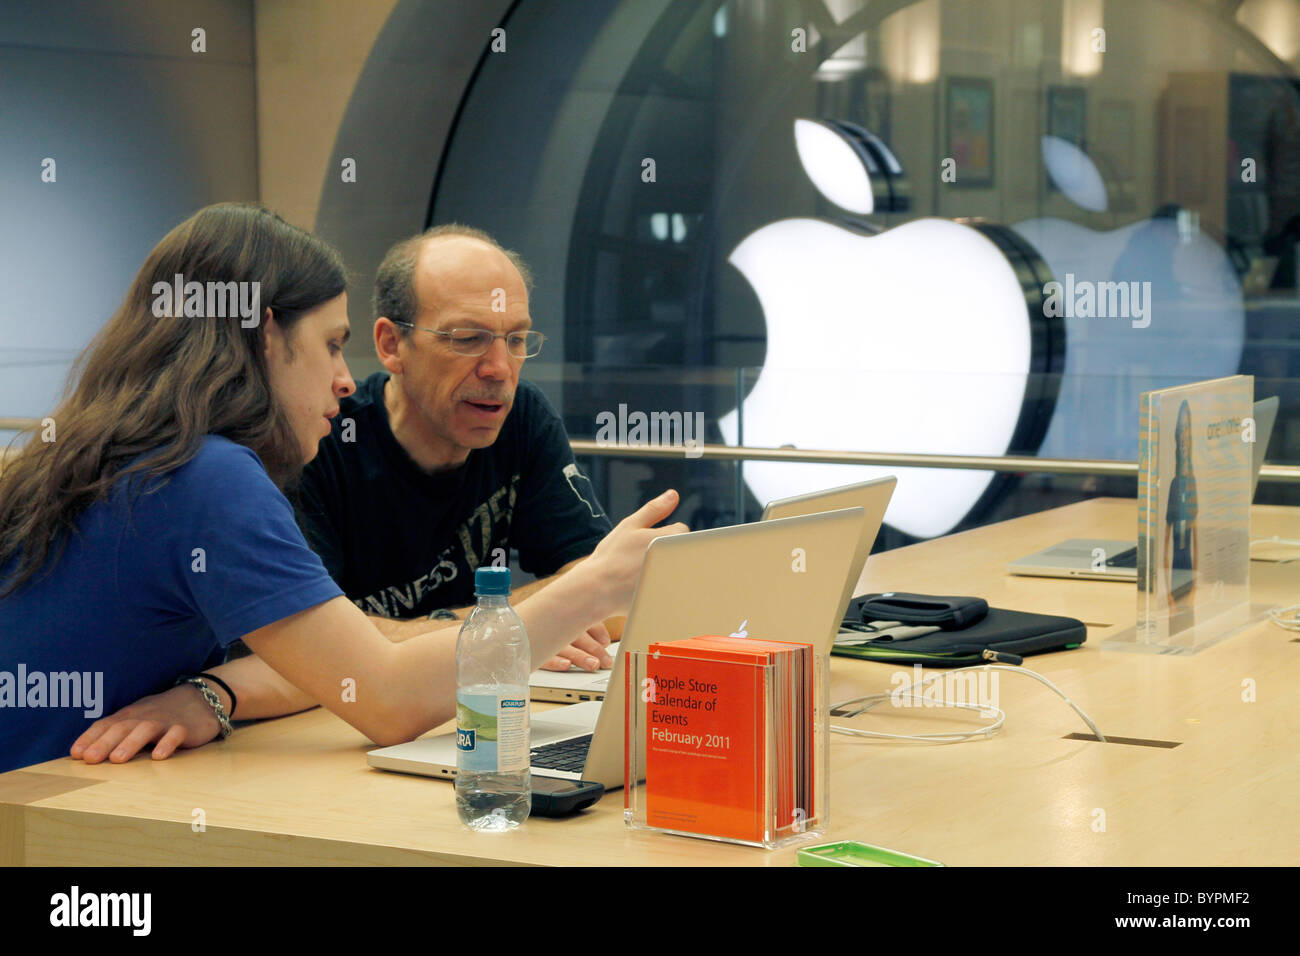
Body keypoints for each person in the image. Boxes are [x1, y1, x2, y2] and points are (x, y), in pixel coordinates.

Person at [0, 204, 684, 773]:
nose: (345, 379)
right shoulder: (208, 477)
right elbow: (386, 703)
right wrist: (594, 587)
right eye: (331, 344)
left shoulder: (126, 452)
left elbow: (316, 663)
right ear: (268, 338)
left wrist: (211, 695)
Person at [292, 225, 617, 672]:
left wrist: (513, 625)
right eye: (467, 339)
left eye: (516, 340)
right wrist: (512, 627)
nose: (500, 369)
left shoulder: (521, 417)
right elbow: (316, 645)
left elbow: (604, 589)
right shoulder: (320, 440)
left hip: (466, 699)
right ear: (391, 345)